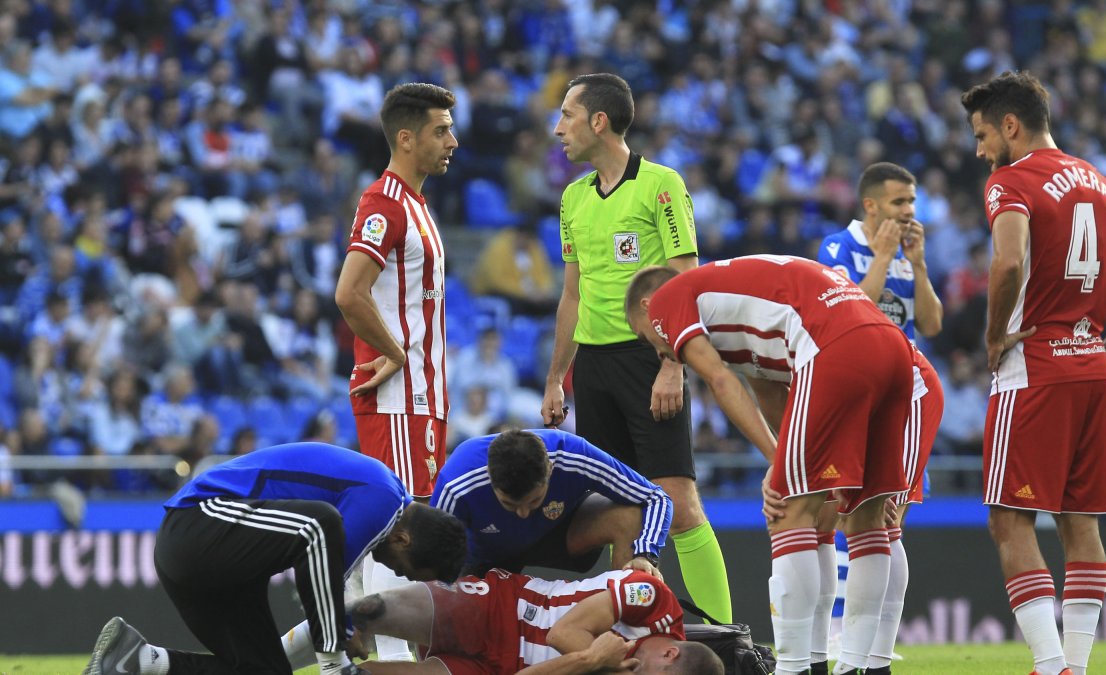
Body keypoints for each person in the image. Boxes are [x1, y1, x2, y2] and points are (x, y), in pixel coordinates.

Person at [962, 71, 1106, 675]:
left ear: (1011, 125)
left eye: (982, 136)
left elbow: (1008, 262)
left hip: (1033, 367)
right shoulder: (1102, 184)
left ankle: (1050, 663)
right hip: (1090, 372)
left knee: (1010, 518)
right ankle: (1075, 667)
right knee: (1080, 522)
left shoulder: (1012, 182)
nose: (980, 152)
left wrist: (994, 333)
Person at [625, 257, 914, 675]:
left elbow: (721, 382)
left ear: (649, 305)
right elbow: (768, 392)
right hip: (891, 348)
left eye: (645, 336)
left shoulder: (668, 300)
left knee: (787, 511)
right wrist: (788, 461)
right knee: (866, 520)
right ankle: (861, 666)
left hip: (834, 345)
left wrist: (784, 472)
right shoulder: (741, 314)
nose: (658, 349)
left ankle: (794, 667)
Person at [539, 72, 731, 624]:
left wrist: (673, 364)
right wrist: (557, 378)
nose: (559, 130)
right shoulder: (572, 198)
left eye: (567, 116)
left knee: (677, 504)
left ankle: (724, 637)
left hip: (648, 362)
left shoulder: (661, 185)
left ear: (599, 122)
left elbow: (684, 280)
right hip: (593, 369)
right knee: (621, 512)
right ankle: (629, 638)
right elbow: (572, 294)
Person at [83, 442, 467, 675]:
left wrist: (339, 632)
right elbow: (323, 598)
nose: (393, 571)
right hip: (197, 520)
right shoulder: (384, 501)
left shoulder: (383, 501)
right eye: (405, 568)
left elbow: (325, 604)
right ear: (403, 538)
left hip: (207, 560)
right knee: (321, 525)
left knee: (264, 671)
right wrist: (337, 652)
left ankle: (137, 660)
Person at [334, 82, 458, 662]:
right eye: (440, 130)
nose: (452, 141)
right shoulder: (384, 203)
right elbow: (349, 294)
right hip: (399, 397)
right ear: (406, 138)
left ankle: (342, 644)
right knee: (400, 534)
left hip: (422, 397)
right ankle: (386, 662)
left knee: (400, 531)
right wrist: (398, 353)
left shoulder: (416, 204)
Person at [816, 162, 946, 674]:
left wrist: (917, 265)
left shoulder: (909, 255)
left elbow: (931, 323)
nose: (909, 211)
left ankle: (872, 653)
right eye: (899, 202)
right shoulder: (837, 247)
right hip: (855, 397)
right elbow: (848, 313)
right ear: (870, 205)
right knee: (845, 519)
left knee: (890, 525)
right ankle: (843, 640)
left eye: (912, 202)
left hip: (902, 398)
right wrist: (885, 256)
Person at [346, 567, 723, 675]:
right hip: (500, 607)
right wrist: (608, 665)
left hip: (498, 669)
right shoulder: (655, 602)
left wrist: (595, 662)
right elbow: (563, 632)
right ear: (671, 653)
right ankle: (304, 635)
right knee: (367, 614)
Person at [432, 428, 672, 578]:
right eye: (510, 504)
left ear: (549, 469)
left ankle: (625, 625)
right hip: (484, 557)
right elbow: (434, 557)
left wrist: (645, 554)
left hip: (557, 533)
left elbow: (655, 497)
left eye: (535, 500)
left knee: (628, 514)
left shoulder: (572, 454)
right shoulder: (457, 482)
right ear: (491, 481)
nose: (523, 513)